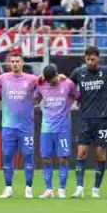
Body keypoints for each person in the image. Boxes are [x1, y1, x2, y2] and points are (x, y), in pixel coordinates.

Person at [70, 46, 107, 198]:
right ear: (85, 59)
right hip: (85, 119)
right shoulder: (79, 73)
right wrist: (77, 97)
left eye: (93, 59)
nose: (90, 62)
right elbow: (67, 87)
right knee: (81, 153)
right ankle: (79, 188)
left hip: (103, 120)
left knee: (100, 154)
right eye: (87, 59)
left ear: (98, 58)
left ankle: (96, 189)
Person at [0, 51, 38, 199]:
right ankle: (8, 188)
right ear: (9, 64)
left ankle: (28, 188)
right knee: (7, 157)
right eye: (12, 62)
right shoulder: (2, 78)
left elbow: (45, 87)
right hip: (8, 126)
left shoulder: (32, 80)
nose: (15, 64)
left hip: (26, 127)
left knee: (28, 156)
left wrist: (37, 100)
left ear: (22, 63)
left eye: (17, 61)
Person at [35, 63, 78, 199]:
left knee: (63, 158)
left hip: (63, 128)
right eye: (48, 80)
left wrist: (69, 104)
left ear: (57, 74)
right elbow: (36, 99)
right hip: (47, 128)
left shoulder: (68, 83)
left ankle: (61, 189)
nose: (50, 82)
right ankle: (49, 189)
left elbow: (76, 95)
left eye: (52, 79)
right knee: (46, 158)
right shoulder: (41, 84)